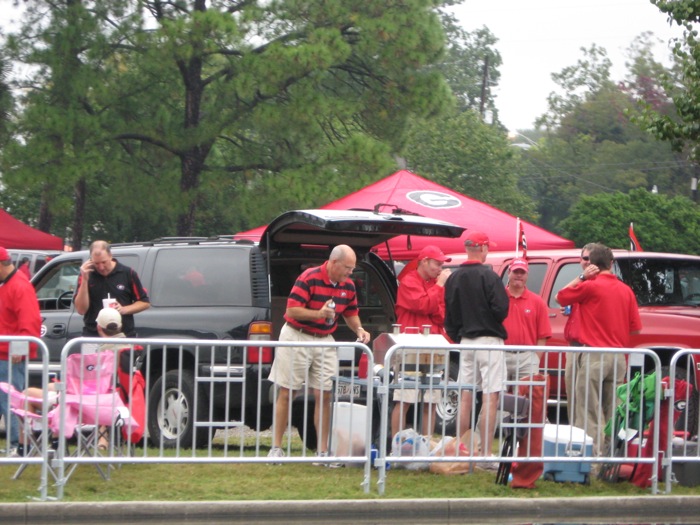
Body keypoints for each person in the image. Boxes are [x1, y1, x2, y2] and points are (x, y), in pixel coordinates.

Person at [267, 245, 371, 461]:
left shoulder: (348, 286)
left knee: (324, 394)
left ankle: (322, 452)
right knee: (287, 392)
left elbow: (351, 313)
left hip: (325, 339)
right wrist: (319, 314)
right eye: (347, 268)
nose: (350, 273)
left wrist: (359, 329)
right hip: (296, 335)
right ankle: (276, 448)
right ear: (334, 263)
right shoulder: (309, 277)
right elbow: (291, 310)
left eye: (352, 269)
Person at [556, 243, 642, 456]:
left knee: (588, 410)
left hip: (593, 353)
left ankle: (590, 458)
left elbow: (561, 296)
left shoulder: (590, 286)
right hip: (618, 356)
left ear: (592, 265)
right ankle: (613, 457)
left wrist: (583, 277)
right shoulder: (626, 291)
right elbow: (636, 330)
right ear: (611, 264)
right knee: (614, 409)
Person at [444, 231, 509, 469]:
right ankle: (485, 454)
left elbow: (449, 315)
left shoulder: (453, 278)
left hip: (465, 341)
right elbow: (501, 309)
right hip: (489, 340)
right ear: (481, 249)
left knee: (466, 396)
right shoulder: (489, 276)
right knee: (491, 396)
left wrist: (458, 334)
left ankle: (461, 449)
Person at [392, 245, 452, 438]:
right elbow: (422, 305)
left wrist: (432, 299)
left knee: (431, 400)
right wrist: (438, 288)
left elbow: (441, 315)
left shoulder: (434, 285)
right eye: (437, 263)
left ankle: (425, 444)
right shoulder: (409, 281)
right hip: (410, 346)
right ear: (424, 261)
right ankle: (396, 445)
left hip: (433, 345)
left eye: (442, 264)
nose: (440, 268)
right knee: (405, 399)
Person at [0, 246, 42, 456]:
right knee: (7, 399)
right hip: (5, 353)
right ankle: (16, 444)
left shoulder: (19, 286)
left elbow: (30, 321)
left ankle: (19, 445)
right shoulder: (9, 285)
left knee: (12, 401)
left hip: (11, 355)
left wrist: (21, 348)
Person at [74, 240, 150, 342]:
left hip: (122, 336)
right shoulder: (86, 275)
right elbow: (81, 310)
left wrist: (124, 309)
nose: (101, 267)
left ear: (110, 255)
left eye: (104, 262)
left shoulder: (127, 273)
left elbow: (144, 302)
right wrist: (85, 280)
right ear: (90, 260)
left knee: (122, 358)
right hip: (93, 336)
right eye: (96, 263)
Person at [562, 243, 596, 425]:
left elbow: (560, 295)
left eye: (590, 259)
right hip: (573, 347)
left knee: (588, 400)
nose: (587, 262)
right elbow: (562, 297)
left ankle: (590, 443)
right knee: (572, 398)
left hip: (592, 349)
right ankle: (574, 437)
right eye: (584, 258)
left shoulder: (596, 284)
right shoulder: (580, 283)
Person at [502, 257, 551, 380]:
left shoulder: (537, 302)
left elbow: (543, 335)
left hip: (527, 358)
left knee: (525, 397)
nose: (519, 275)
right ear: (509, 273)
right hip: (501, 354)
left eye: (522, 272)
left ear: (527, 275)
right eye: (515, 272)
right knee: (498, 397)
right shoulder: (497, 298)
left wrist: (535, 359)